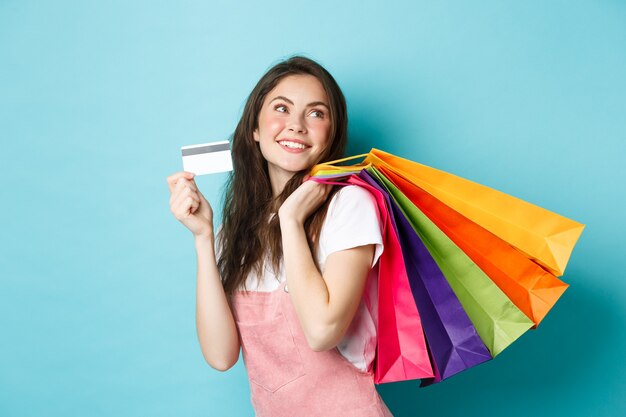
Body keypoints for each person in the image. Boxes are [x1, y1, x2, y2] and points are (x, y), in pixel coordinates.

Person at [166, 56, 393, 416]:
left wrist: (290, 220)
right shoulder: (236, 233)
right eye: (282, 108)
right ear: (254, 128)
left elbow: (322, 332)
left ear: (332, 133)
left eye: (316, 113)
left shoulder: (349, 206)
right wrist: (204, 238)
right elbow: (220, 355)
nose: (297, 125)